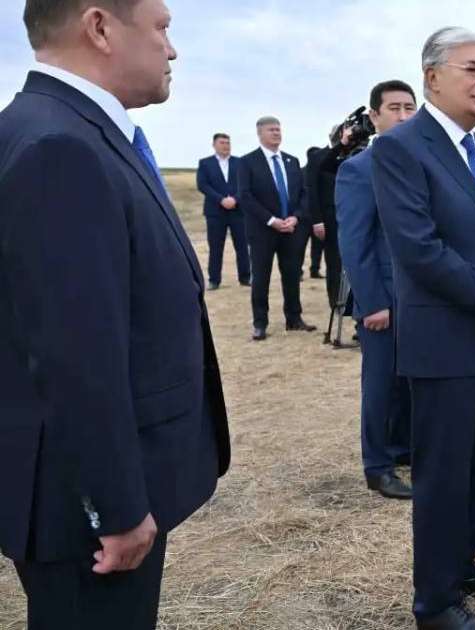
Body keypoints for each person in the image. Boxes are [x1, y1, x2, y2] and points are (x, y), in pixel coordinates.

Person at [0, 1, 231, 628]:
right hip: (84, 515)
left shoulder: (58, 127)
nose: (172, 49)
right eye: (161, 28)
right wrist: (117, 507)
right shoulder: (59, 147)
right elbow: (73, 354)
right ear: (100, 27)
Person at [372, 26, 475, 630]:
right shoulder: (400, 149)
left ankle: (461, 562)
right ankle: (436, 604)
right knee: (443, 476)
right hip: (446, 345)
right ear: (432, 76)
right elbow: (419, 250)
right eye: (473, 69)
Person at [336, 80, 419, 500]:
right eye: (394, 108)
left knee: (410, 381)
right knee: (381, 385)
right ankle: (377, 466)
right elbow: (354, 241)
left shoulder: (420, 162)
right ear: (374, 116)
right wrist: (372, 303)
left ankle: (403, 449)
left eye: (409, 108)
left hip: (420, 298)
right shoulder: (359, 169)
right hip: (381, 300)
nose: (403, 116)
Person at [237, 115, 315, 341]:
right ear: (259, 133)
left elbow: (303, 194)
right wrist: (271, 220)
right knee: (261, 277)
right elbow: (245, 196)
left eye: (278, 129)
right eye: (271, 130)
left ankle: (294, 318)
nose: (276, 133)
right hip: (263, 231)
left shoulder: (292, 161)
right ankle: (260, 323)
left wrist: (296, 217)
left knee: (292, 275)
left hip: (290, 230)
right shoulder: (247, 162)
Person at [306, 123, 353, 311]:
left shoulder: (352, 155)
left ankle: (352, 299)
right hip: (329, 218)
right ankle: (336, 301)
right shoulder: (318, 156)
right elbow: (312, 190)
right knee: (334, 262)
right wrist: (317, 220)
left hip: (350, 215)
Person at [195, 132, 249, 290]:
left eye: (228, 143)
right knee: (216, 247)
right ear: (214, 145)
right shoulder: (205, 163)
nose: (226, 146)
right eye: (222, 143)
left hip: (238, 211)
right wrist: (221, 200)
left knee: (242, 246)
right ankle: (214, 280)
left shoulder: (240, 162)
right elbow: (202, 185)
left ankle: (245, 277)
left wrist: (235, 199)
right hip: (215, 212)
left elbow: (245, 184)